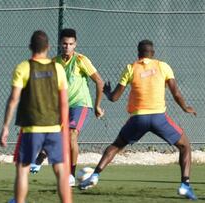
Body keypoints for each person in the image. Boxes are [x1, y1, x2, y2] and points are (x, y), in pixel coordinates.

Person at [79, 40, 197, 200]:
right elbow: (176, 92)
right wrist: (185, 107)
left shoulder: (131, 68)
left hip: (138, 118)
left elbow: (114, 97)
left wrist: (107, 92)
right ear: (153, 53)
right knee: (185, 146)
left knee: (116, 146)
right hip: (158, 118)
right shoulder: (163, 66)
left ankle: (95, 176)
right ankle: (185, 185)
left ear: (138, 53)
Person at [0, 30, 72, 203]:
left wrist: (6, 126)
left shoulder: (23, 67)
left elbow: (13, 99)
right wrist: (64, 128)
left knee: (23, 169)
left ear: (30, 47)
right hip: (55, 128)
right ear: (48, 47)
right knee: (61, 171)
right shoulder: (58, 68)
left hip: (31, 129)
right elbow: (64, 103)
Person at [31, 28, 104, 187]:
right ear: (60, 44)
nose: (67, 47)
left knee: (71, 135)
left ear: (75, 44)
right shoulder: (54, 62)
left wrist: (97, 105)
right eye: (65, 44)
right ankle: (41, 156)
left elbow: (99, 82)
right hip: (61, 106)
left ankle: (70, 174)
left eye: (71, 44)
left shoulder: (81, 60)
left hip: (80, 104)